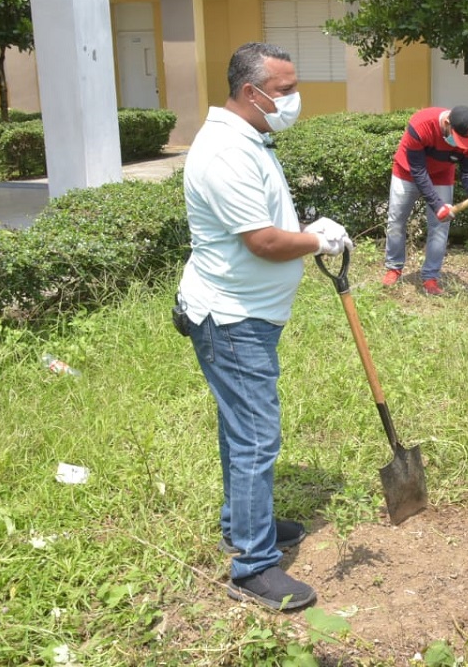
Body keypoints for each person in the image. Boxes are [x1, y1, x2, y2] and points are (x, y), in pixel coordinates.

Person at [177, 42, 352, 611]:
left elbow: (267, 222)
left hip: (246, 312)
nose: (294, 100)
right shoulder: (226, 151)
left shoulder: (247, 138)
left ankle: (242, 523)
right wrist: (317, 240)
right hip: (232, 318)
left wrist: (307, 229)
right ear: (251, 92)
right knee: (256, 435)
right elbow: (264, 242)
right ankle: (252, 567)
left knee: (240, 428)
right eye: (285, 90)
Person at [382, 105, 468, 295]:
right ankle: (393, 268)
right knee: (396, 222)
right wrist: (438, 205)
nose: (460, 145)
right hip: (407, 172)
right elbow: (418, 171)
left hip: (441, 175)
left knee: (440, 226)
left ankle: (430, 277)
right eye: (457, 139)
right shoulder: (421, 124)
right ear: (446, 123)